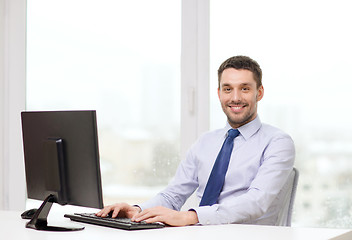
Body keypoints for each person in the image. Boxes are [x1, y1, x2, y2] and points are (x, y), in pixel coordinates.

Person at [96, 55, 295, 226]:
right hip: (199, 233)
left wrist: (191, 216)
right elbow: (173, 195)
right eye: (227, 89)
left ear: (259, 92)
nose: (235, 98)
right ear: (219, 94)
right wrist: (136, 210)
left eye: (244, 89)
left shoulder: (278, 142)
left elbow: (256, 202)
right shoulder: (205, 142)